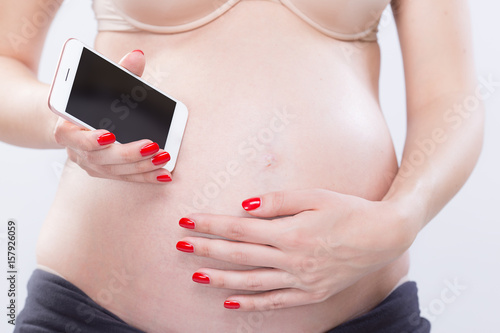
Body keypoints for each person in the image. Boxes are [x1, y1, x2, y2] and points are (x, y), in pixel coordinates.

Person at [0, 0, 483, 332]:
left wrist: (404, 217)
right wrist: (61, 125)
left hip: (358, 313)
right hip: (97, 311)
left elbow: (452, 98)